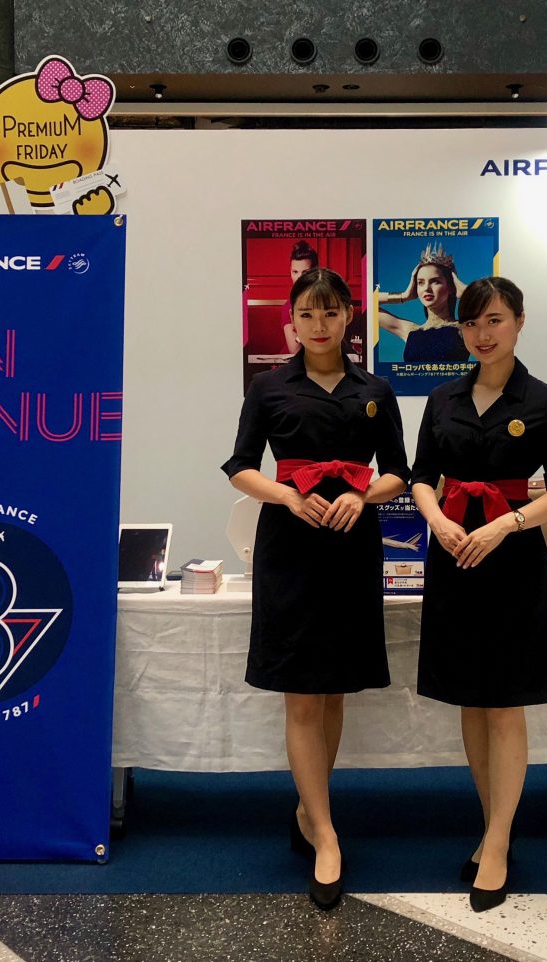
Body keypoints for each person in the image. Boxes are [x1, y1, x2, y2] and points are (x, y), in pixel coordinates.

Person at [222, 267, 409, 910]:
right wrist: (286, 496)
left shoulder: (374, 389)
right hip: (291, 546)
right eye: (307, 314)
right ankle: (326, 835)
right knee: (301, 694)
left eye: (330, 313)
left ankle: (310, 810)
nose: (319, 324)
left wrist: (363, 495)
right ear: (293, 322)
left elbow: (400, 472)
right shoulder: (269, 386)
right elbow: (240, 466)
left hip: (352, 546)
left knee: (333, 691)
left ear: (349, 316)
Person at [410, 276, 547, 912]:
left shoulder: (546, 400)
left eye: (496, 320)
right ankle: (490, 826)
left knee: (506, 705)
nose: (483, 334)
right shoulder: (442, 398)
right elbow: (422, 476)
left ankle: (500, 841)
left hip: (512, 559)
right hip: (455, 554)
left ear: (519, 322)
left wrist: (507, 523)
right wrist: (439, 521)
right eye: (472, 323)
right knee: (470, 700)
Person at [377, 244, 471, 363]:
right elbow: (367, 304)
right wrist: (403, 296)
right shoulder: (410, 331)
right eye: (420, 283)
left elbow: (491, 302)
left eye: (435, 281)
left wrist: (465, 292)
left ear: (450, 286)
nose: (426, 288)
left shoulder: (465, 328)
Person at [282, 240, 319, 354]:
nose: (299, 278)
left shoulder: (328, 300)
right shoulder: (289, 306)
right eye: (295, 272)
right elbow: (295, 350)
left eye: (305, 272)